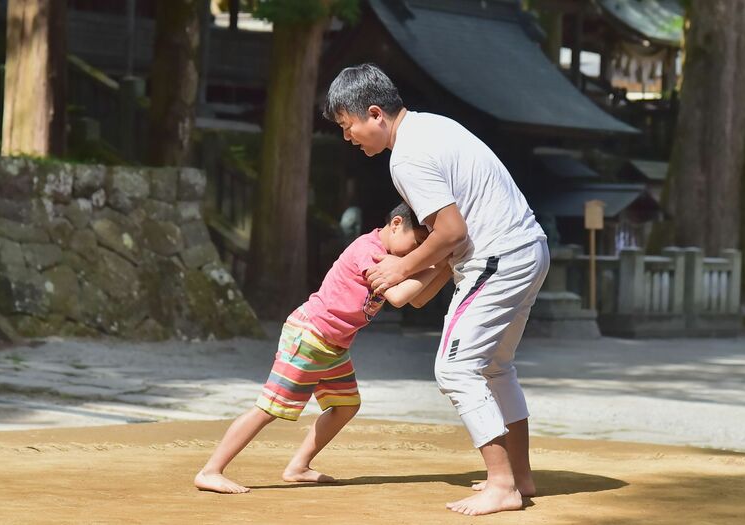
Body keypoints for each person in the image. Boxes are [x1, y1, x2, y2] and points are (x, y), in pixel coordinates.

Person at [323, 63, 550, 516]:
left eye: (348, 128)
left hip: (497, 256)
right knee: (496, 367)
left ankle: (502, 483)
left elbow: (451, 233)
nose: (348, 138)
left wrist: (398, 268)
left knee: (455, 369)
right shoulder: (433, 126)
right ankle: (518, 476)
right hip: (529, 247)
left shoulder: (406, 156)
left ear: (374, 114)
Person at [194, 202, 452, 494]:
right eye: (417, 243)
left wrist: (443, 267)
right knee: (268, 408)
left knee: (345, 406)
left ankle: (298, 467)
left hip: (333, 345)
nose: (416, 253)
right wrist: (436, 263)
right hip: (309, 335)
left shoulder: (395, 257)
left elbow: (418, 299)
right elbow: (398, 297)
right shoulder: (370, 250)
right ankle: (210, 470)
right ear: (395, 224)